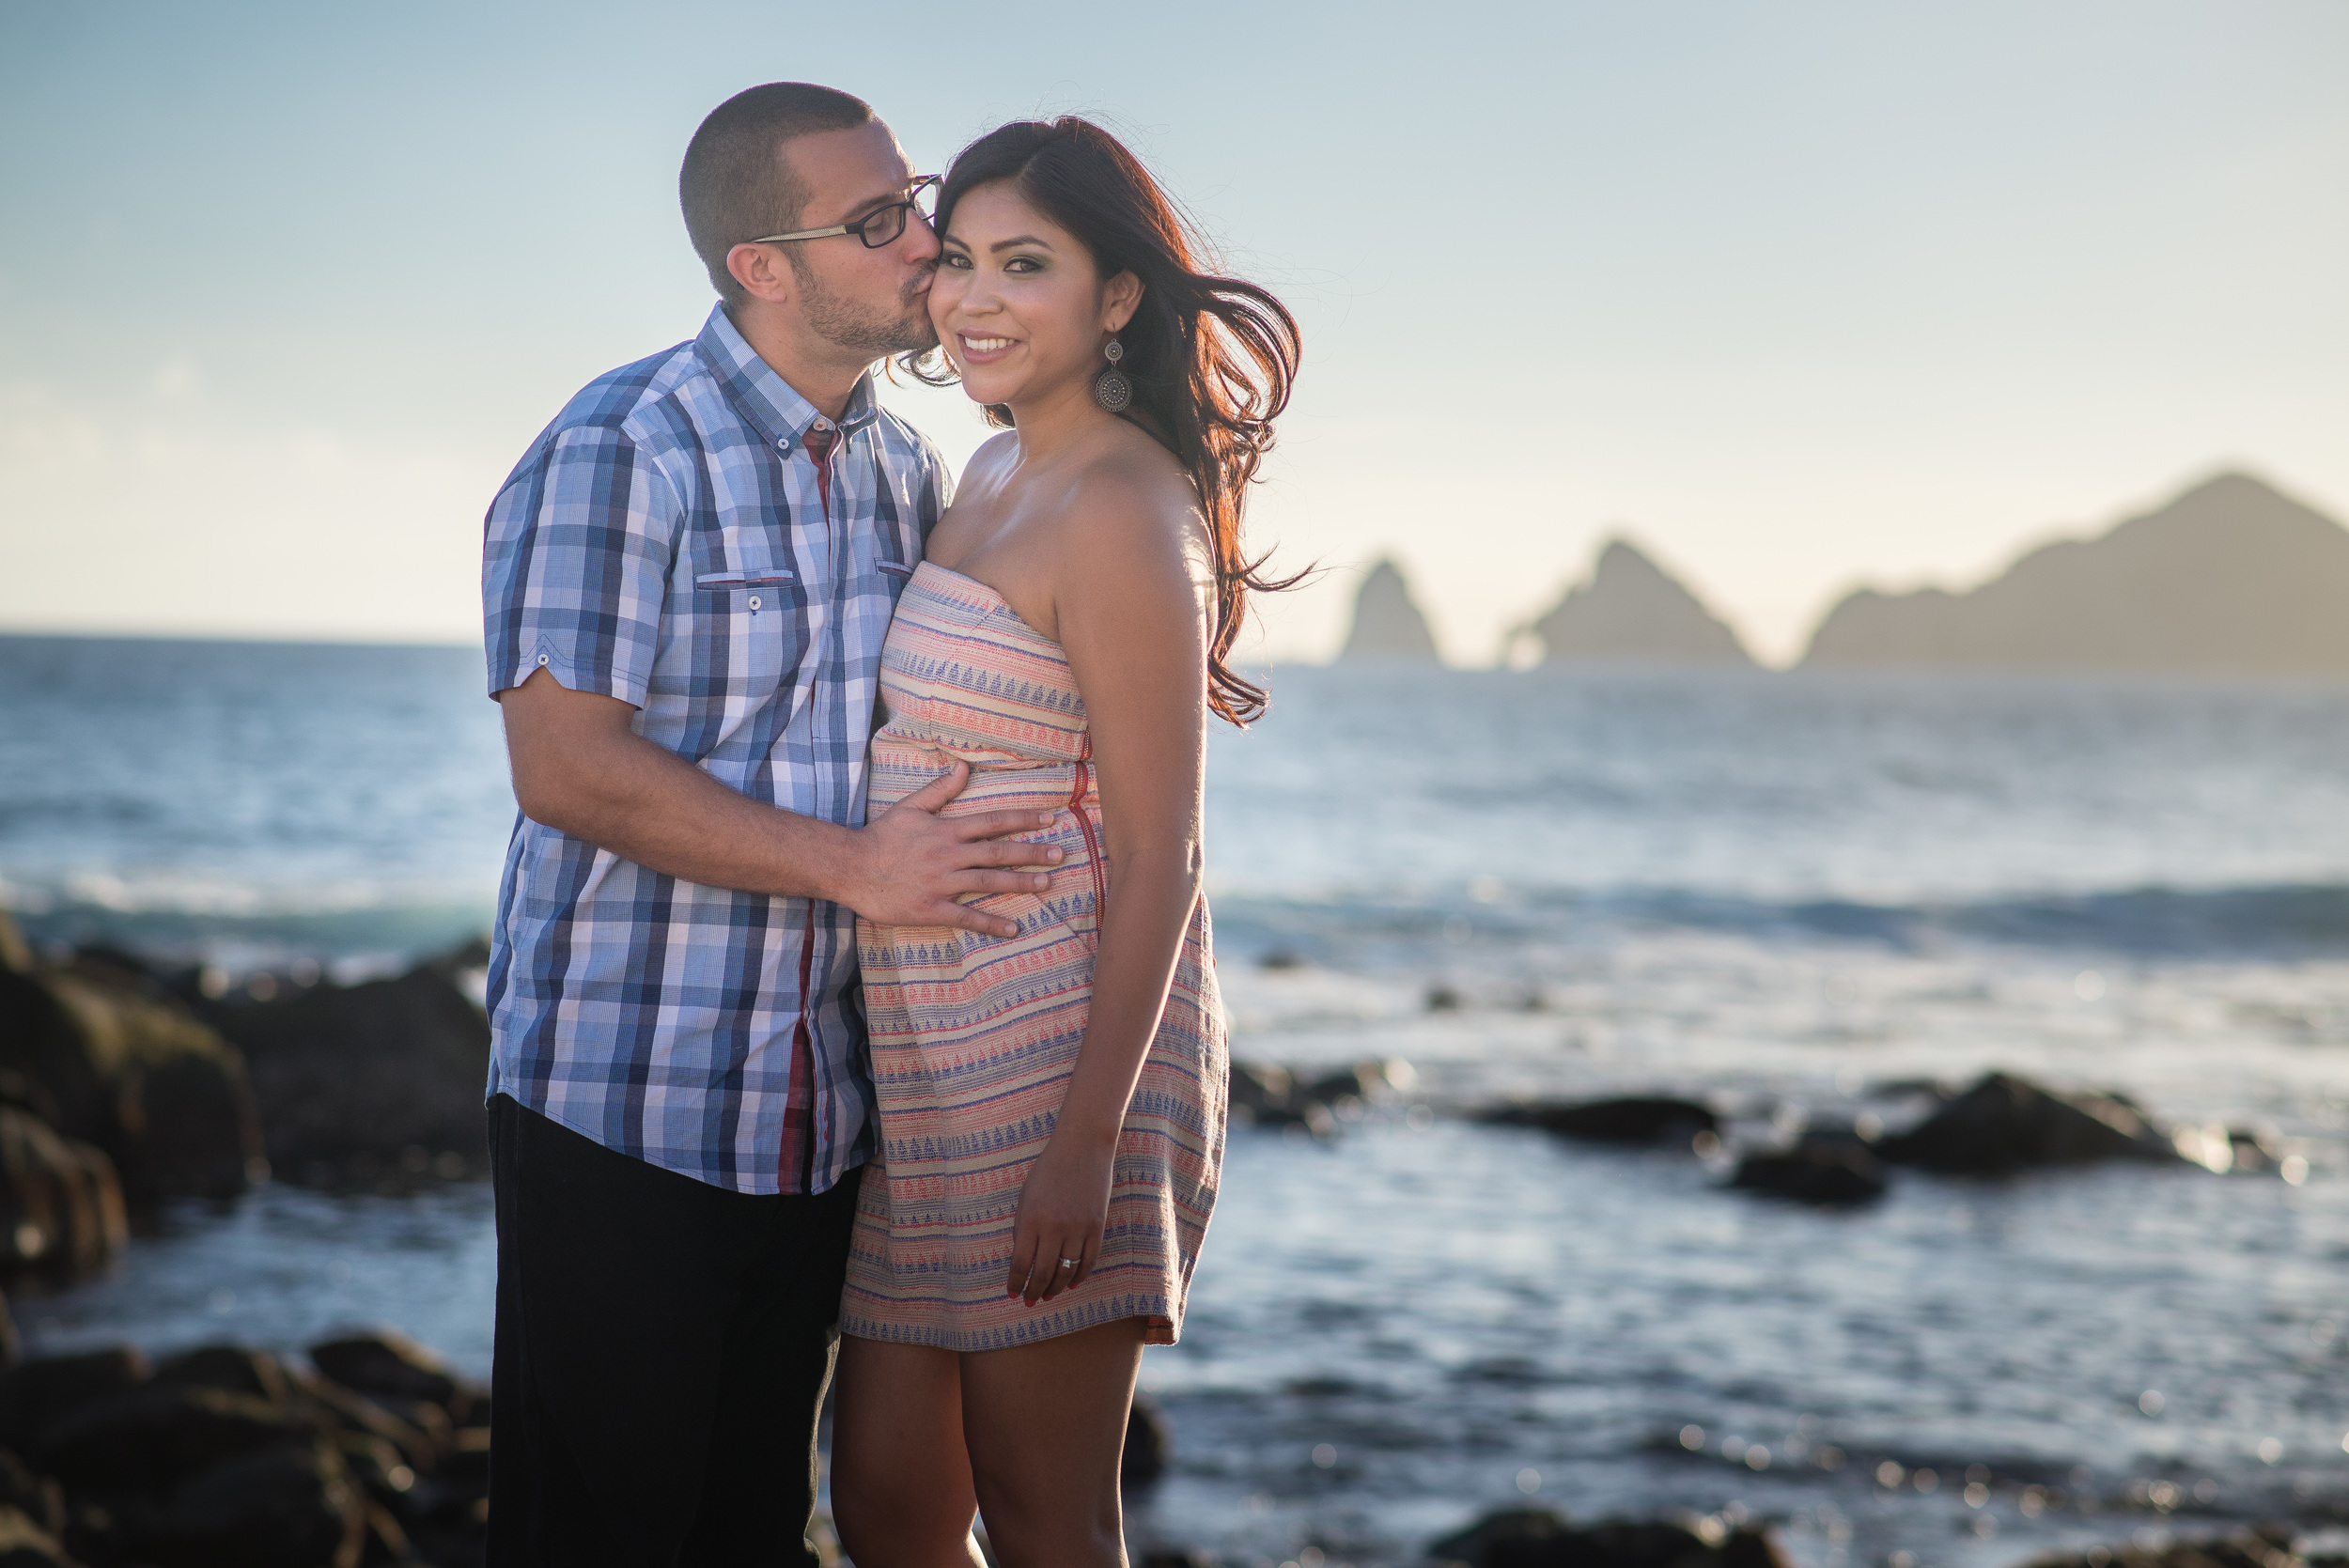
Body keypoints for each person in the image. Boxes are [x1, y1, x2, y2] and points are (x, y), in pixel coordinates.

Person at [477, 84, 1061, 1567]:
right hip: (626, 1114)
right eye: (880, 223)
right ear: (764, 266)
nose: (927, 242)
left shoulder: (900, 469)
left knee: (751, 1535)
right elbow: (566, 771)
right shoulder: (621, 446)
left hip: (817, 1131)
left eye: (914, 198)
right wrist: (865, 869)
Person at [829, 118, 1301, 1566]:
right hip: (924, 1056)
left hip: (1057, 1066)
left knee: (1048, 1526)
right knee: (892, 1506)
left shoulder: (1120, 504)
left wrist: (1084, 1143)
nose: (973, 297)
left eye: (1023, 264)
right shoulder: (984, 478)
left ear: (1117, 298)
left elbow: (1168, 854)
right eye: (959, 259)